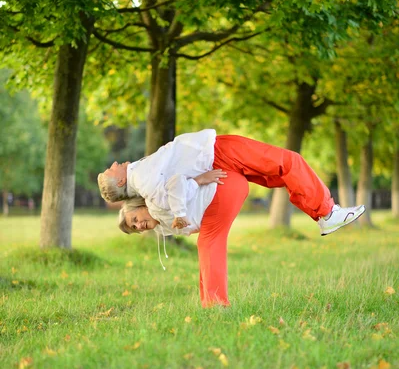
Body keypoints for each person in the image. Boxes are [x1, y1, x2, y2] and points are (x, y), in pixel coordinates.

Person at [98, 131, 365, 308]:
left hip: (214, 159)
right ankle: (327, 213)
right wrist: (182, 209)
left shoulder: (139, 175)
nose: (113, 164)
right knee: (288, 162)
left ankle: (324, 212)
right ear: (119, 180)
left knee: (277, 175)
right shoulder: (141, 179)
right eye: (110, 169)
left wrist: (192, 187)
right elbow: (172, 189)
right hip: (216, 152)